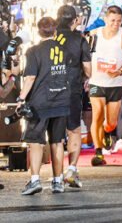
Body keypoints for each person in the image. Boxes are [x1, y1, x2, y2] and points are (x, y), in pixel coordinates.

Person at [17, 17, 73, 195]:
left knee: (36, 142)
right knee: (57, 142)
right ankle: (58, 181)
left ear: (37, 31)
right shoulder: (64, 49)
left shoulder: (33, 51)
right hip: (62, 99)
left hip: (39, 103)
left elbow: (30, 77)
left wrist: (21, 98)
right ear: (55, 31)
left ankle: (35, 181)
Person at [89, 5, 122, 166]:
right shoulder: (95, 35)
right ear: (106, 19)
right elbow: (84, 55)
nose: (115, 24)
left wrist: (119, 71)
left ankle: (108, 133)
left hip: (115, 84)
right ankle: (98, 152)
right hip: (96, 82)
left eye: (119, 21)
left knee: (110, 123)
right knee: (98, 114)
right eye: (112, 20)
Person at [56, 5, 92, 189]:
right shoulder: (79, 39)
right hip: (72, 89)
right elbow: (88, 68)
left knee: (55, 135)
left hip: (51, 90)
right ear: (75, 19)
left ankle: (56, 175)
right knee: (74, 130)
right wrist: (85, 77)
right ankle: (71, 169)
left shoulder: (51, 36)